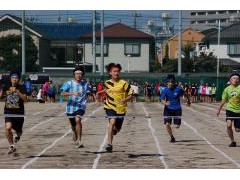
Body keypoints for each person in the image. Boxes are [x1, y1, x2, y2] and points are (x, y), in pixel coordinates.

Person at [97, 63, 133, 152]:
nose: (116, 73)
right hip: (109, 106)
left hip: (121, 108)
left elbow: (131, 95)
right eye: (114, 71)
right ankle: (109, 144)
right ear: (110, 72)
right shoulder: (107, 83)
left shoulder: (124, 83)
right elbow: (106, 90)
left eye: (117, 71)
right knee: (112, 122)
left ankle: (114, 131)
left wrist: (124, 100)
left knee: (117, 128)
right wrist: (98, 94)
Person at [60, 66, 90, 148]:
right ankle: (74, 132)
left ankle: (79, 140)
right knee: (73, 125)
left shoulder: (86, 84)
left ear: (83, 75)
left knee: (78, 119)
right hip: (71, 107)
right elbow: (62, 93)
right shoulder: (69, 83)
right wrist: (73, 93)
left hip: (81, 106)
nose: (78, 75)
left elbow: (90, 91)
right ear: (74, 74)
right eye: (77, 74)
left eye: (80, 74)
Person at [0, 71, 28, 154]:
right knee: (8, 127)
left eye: (16, 78)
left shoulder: (22, 87)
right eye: (13, 78)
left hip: (19, 112)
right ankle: (11, 145)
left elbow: (26, 100)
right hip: (8, 111)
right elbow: (0, 96)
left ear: (19, 79)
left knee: (18, 131)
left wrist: (17, 92)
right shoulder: (6, 86)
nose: (14, 79)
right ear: (10, 78)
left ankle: (18, 135)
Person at [160, 74, 190, 143]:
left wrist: (188, 101)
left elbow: (185, 94)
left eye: (171, 83)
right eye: (169, 83)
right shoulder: (165, 90)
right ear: (167, 83)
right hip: (168, 109)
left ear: (174, 82)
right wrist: (165, 103)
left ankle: (174, 125)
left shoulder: (178, 89)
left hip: (177, 109)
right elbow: (161, 99)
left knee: (177, 126)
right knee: (167, 124)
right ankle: (172, 137)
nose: (170, 84)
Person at [217, 73, 240, 147]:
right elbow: (224, 100)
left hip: (239, 110)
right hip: (230, 109)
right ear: (230, 80)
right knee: (228, 125)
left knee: (238, 130)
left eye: (237, 78)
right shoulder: (227, 89)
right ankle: (233, 141)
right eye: (234, 78)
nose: (235, 80)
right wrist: (219, 109)